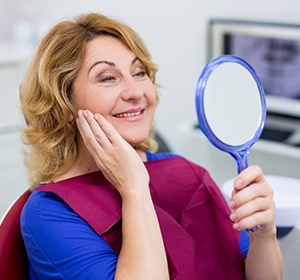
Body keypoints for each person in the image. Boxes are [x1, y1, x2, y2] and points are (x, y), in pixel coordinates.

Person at [20, 12, 283, 279]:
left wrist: (265, 235)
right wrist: (134, 188)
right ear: (63, 104)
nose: (135, 92)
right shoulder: (49, 213)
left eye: (139, 72)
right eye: (108, 77)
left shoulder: (188, 173)